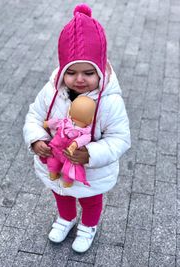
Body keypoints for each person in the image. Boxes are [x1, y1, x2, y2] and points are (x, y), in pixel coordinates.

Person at [23, 3, 131, 253]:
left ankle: (88, 226)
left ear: (101, 70)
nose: (79, 79)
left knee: (91, 200)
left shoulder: (109, 101)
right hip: (57, 165)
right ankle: (66, 218)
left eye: (88, 72)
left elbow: (120, 138)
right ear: (62, 71)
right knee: (60, 193)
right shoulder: (52, 91)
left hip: (90, 172)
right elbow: (34, 115)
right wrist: (37, 139)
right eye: (71, 72)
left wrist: (90, 154)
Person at [40, 96, 96, 188]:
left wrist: (46, 124)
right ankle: (67, 182)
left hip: (56, 149)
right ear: (91, 120)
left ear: (69, 112)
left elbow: (55, 122)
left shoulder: (64, 122)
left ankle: (52, 174)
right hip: (69, 155)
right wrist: (74, 144)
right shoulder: (86, 134)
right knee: (70, 169)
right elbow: (82, 140)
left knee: (52, 160)